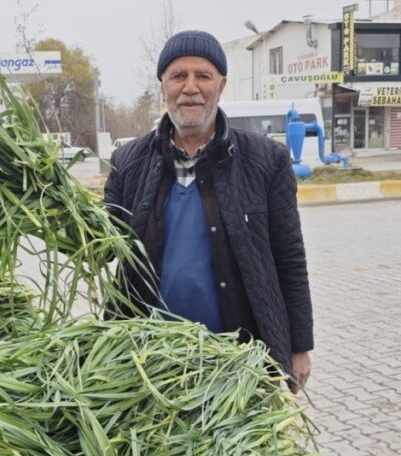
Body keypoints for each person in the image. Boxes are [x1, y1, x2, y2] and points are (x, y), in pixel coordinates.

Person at [104, 30, 313, 393]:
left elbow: (289, 255)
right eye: (178, 76)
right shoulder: (128, 161)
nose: (190, 87)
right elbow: (103, 245)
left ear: (221, 84)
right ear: (163, 86)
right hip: (149, 359)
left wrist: (299, 345)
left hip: (238, 355)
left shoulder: (265, 160)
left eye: (203, 75)